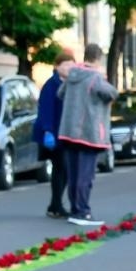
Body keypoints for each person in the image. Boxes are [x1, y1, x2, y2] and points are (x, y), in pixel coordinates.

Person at [57, 43, 116, 227]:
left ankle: (75, 209)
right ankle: (83, 212)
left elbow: (60, 94)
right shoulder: (95, 78)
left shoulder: (71, 76)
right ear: (98, 59)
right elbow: (111, 93)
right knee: (85, 175)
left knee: (74, 174)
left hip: (69, 132)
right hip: (88, 132)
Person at [34, 50, 75, 218]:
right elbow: (46, 110)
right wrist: (48, 131)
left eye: (72, 65)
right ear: (57, 66)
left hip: (65, 133)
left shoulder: (70, 84)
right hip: (53, 133)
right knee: (61, 168)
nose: (69, 69)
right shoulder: (51, 84)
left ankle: (54, 203)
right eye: (66, 65)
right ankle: (56, 204)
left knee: (63, 170)